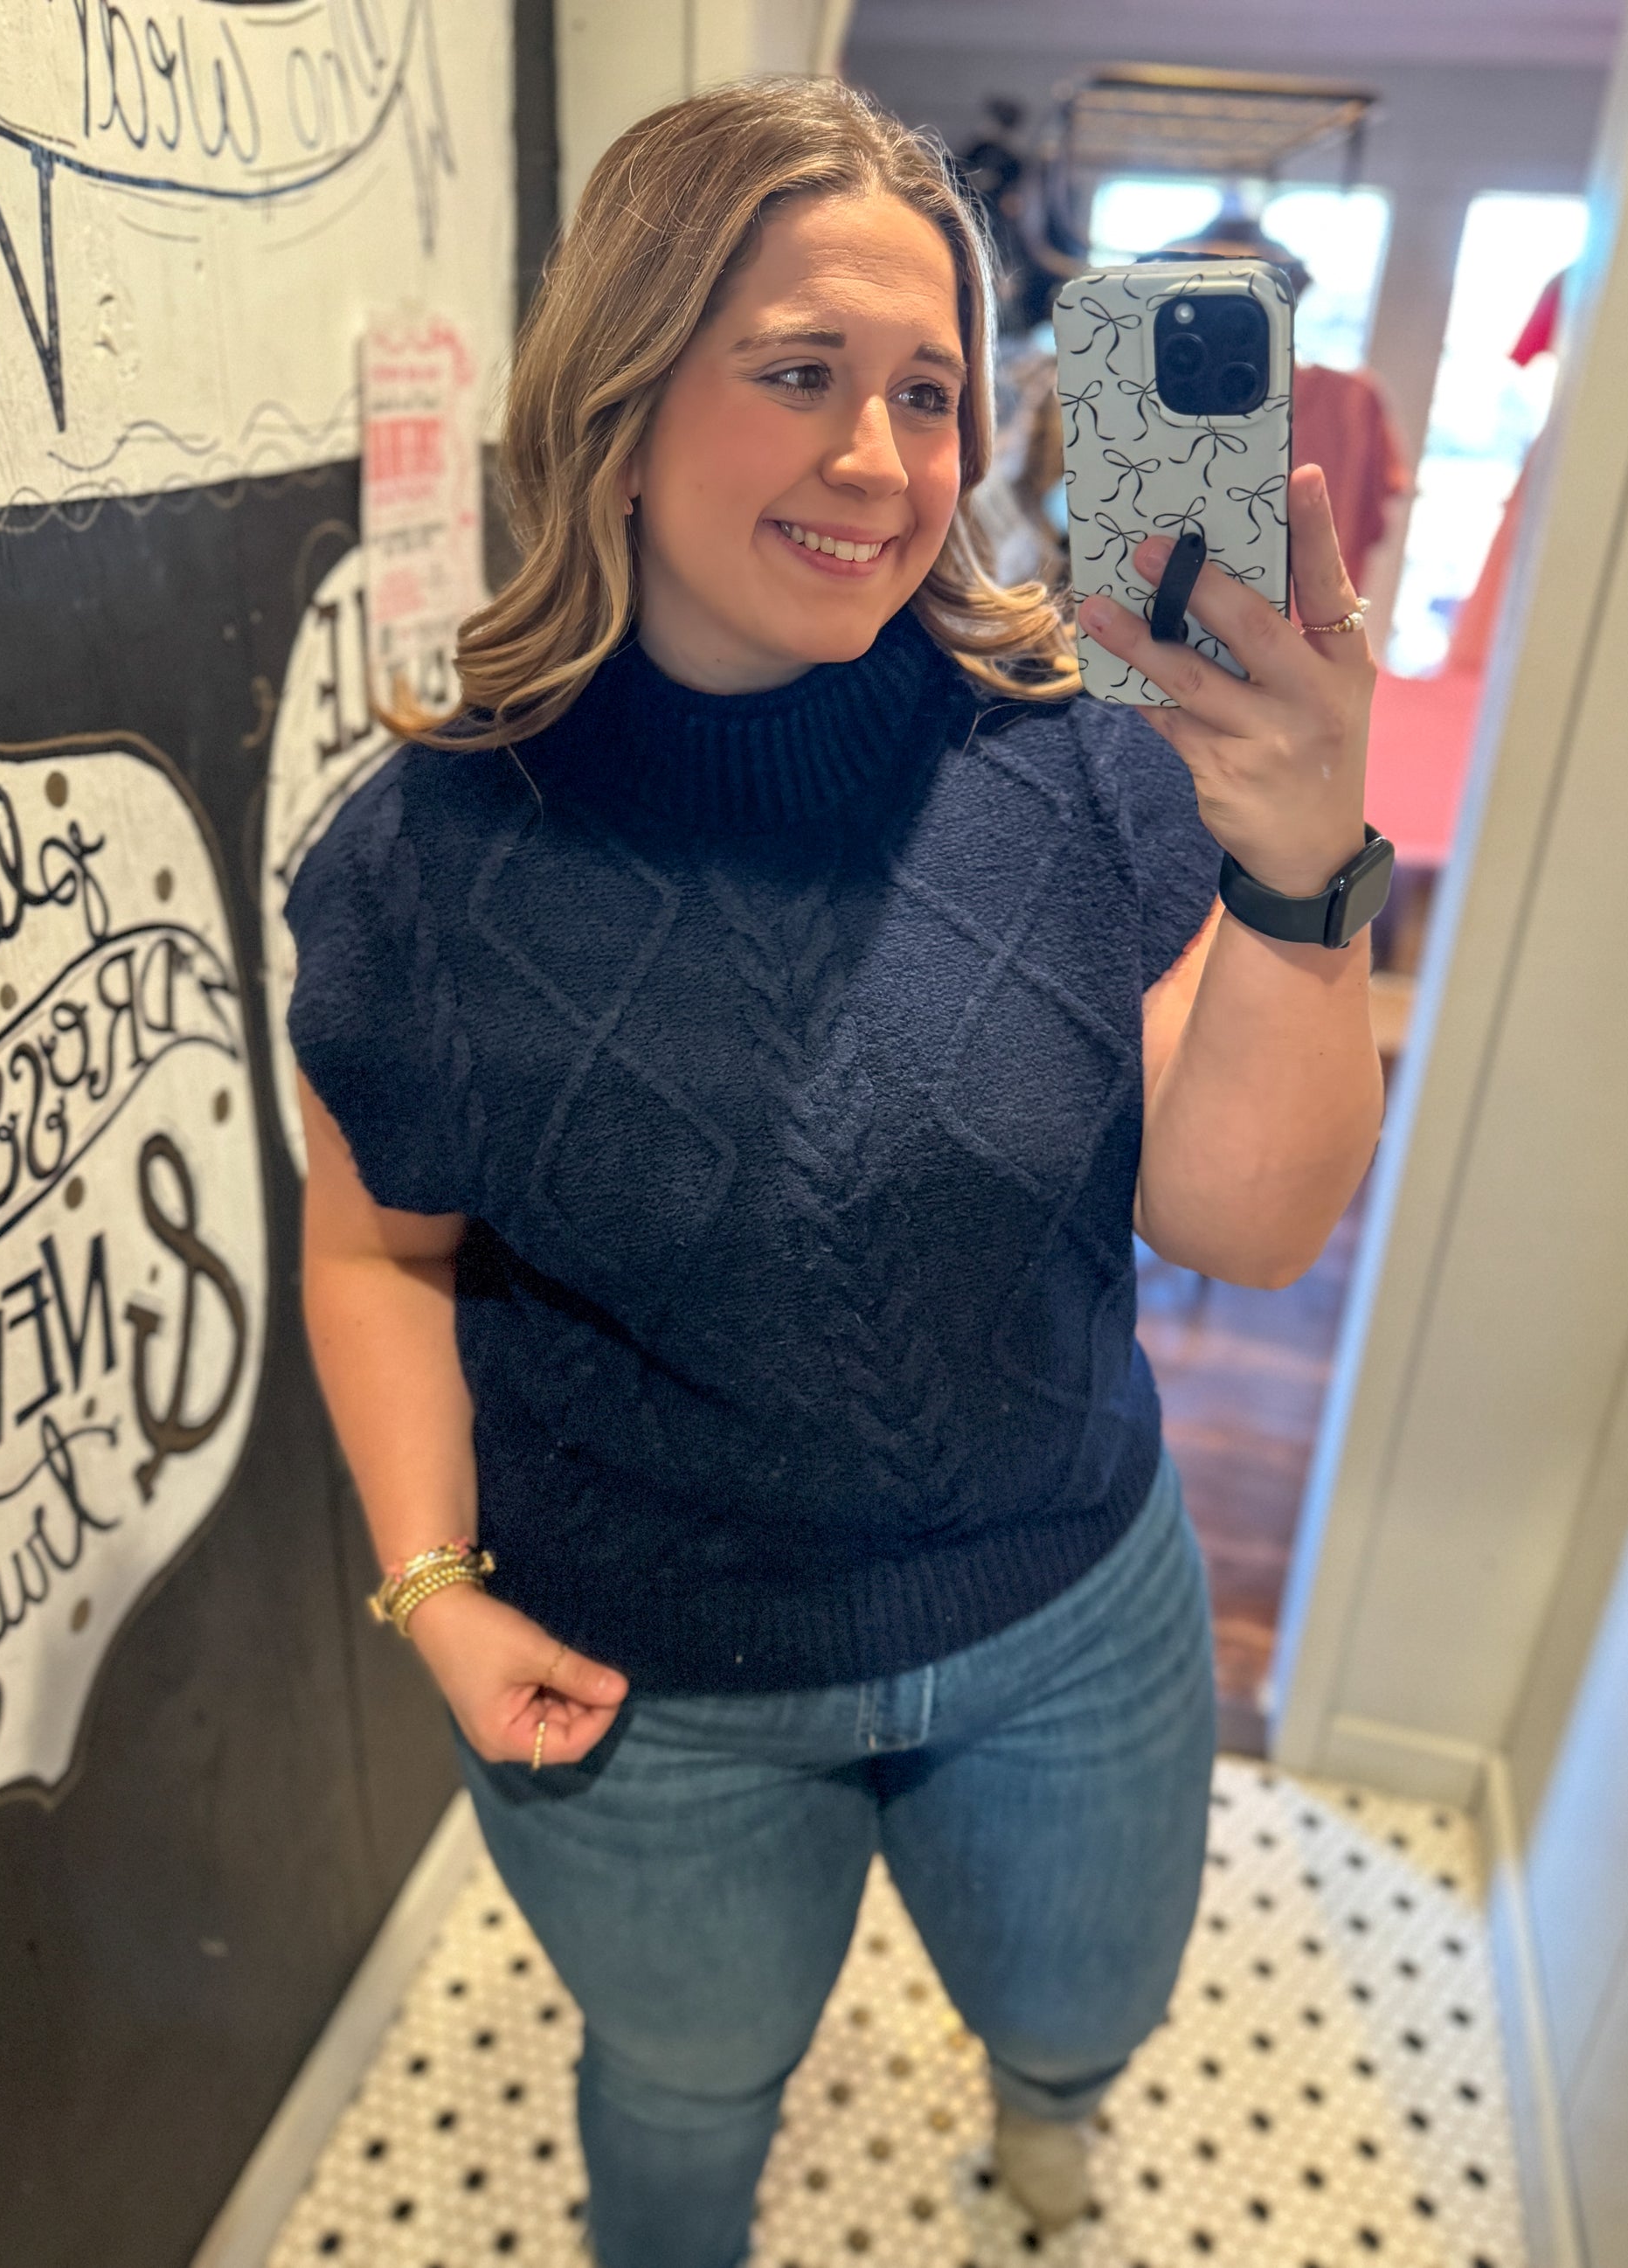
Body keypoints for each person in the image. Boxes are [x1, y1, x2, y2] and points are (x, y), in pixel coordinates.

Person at [287, 78, 1383, 2268]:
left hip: (1067, 1611)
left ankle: (1046, 2133)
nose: (881, 458)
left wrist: (1299, 871)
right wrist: (430, 1586)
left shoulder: (1082, 764)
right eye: (798, 372)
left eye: (928, 389)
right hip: (639, 1667)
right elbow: (374, 1252)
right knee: (686, 2084)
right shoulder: (422, 864)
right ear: (615, 402)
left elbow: (1246, 1226)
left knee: (1079, 2012)